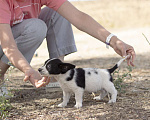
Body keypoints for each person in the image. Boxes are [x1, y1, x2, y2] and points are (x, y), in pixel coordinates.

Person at [0, 0, 135, 97]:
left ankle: (56, 75)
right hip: (4, 44)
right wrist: (28, 70)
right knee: (37, 27)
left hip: (14, 38)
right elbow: (9, 46)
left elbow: (78, 17)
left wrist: (113, 40)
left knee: (59, 13)